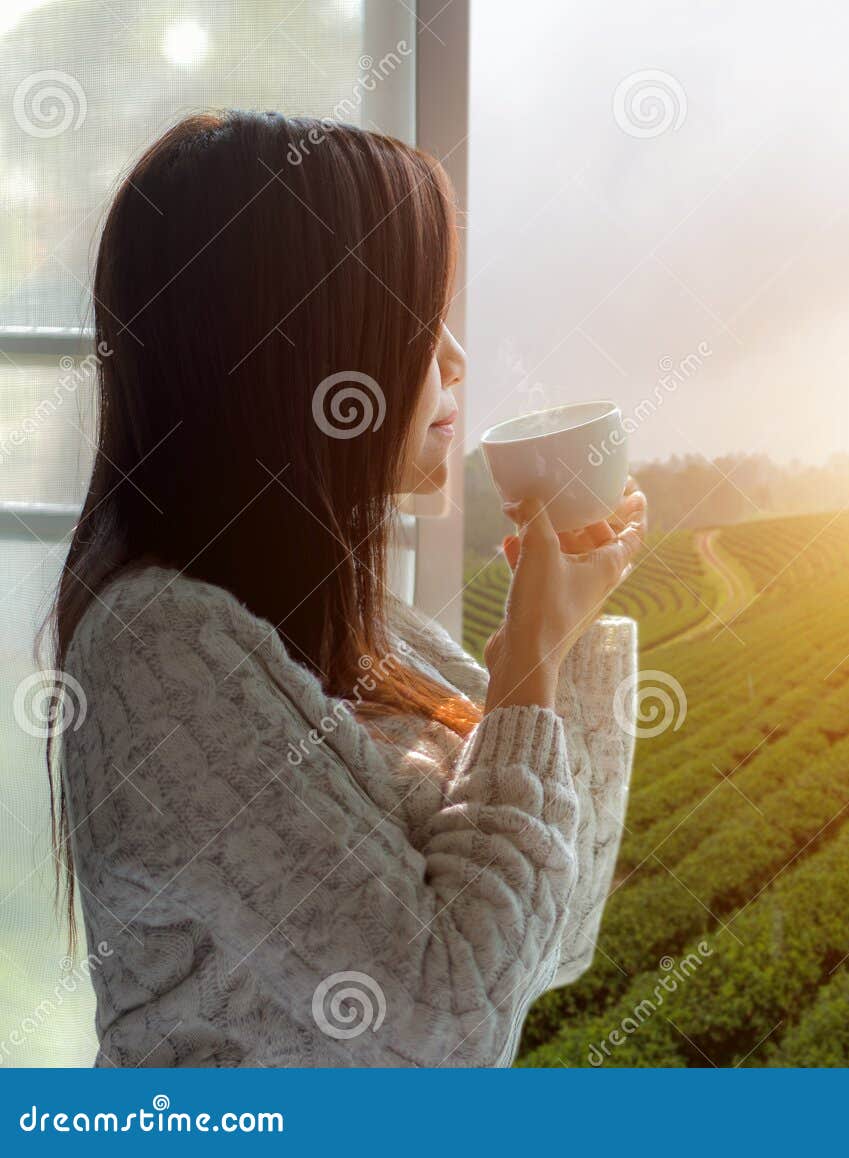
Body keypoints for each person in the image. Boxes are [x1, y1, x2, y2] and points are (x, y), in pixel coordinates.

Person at [41, 110, 645, 1065]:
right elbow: (448, 1027)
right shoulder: (156, 648)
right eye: (413, 312)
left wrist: (566, 641)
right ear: (295, 339)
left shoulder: (370, 636)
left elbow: (553, 945)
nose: (454, 358)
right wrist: (526, 670)